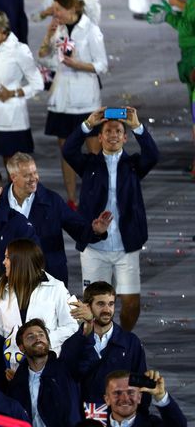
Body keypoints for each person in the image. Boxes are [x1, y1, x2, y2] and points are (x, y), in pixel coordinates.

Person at [64, 107, 158, 331]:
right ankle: (98, 343)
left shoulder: (134, 165)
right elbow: (68, 150)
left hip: (126, 244)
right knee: (94, 304)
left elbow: (153, 155)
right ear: (100, 137)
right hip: (95, 246)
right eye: (108, 131)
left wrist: (137, 126)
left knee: (131, 301)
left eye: (118, 130)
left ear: (125, 137)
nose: (113, 134)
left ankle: (122, 338)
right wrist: (88, 123)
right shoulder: (88, 165)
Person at [38, 0, 107, 208]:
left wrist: (78, 65)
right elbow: (45, 59)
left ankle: (96, 197)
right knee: (67, 152)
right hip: (62, 100)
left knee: (93, 152)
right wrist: (48, 38)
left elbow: (101, 65)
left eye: (57, 9)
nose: (53, 13)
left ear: (71, 10)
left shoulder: (91, 30)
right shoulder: (58, 29)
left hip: (86, 100)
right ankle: (72, 199)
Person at [2, 152, 112, 284]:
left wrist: (95, 230)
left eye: (35, 173)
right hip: (10, 276)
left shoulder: (52, 201)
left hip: (48, 277)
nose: (34, 178)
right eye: (27, 175)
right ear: (13, 177)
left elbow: (77, 228)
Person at [59, 281, 148, 417]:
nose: (107, 310)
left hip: (121, 418)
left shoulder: (131, 342)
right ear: (87, 307)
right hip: (85, 419)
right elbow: (70, 378)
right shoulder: (72, 344)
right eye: (101, 304)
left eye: (111, 304)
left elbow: (141, 384)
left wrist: (140, 419)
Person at [0, 239, 77, 354]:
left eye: (7, 258)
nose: (3, 262)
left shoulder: (57, 287)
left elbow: (71, 326)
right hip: (11, 363)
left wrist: (42, 340)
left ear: (20, 261)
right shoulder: (0, 288)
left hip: (46, 360)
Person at [0, 10, 43, 166]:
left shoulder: (20, 50)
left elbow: (38, 83)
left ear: (1, 29)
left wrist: (14, 93)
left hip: (11, 118)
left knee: (12, 166)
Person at [8, 319, 81, 427]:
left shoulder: (66, 369)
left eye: (41, 335)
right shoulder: (17, 382)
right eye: (30, 337)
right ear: (21, 347)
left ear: (48, 341)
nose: (38, 338)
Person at [103, 370, 186, 426]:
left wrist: (161, 396)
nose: (125, 398)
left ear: (139, 397)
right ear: (107, 399)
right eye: (117, 393)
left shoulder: (153, 424)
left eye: (130, 392)